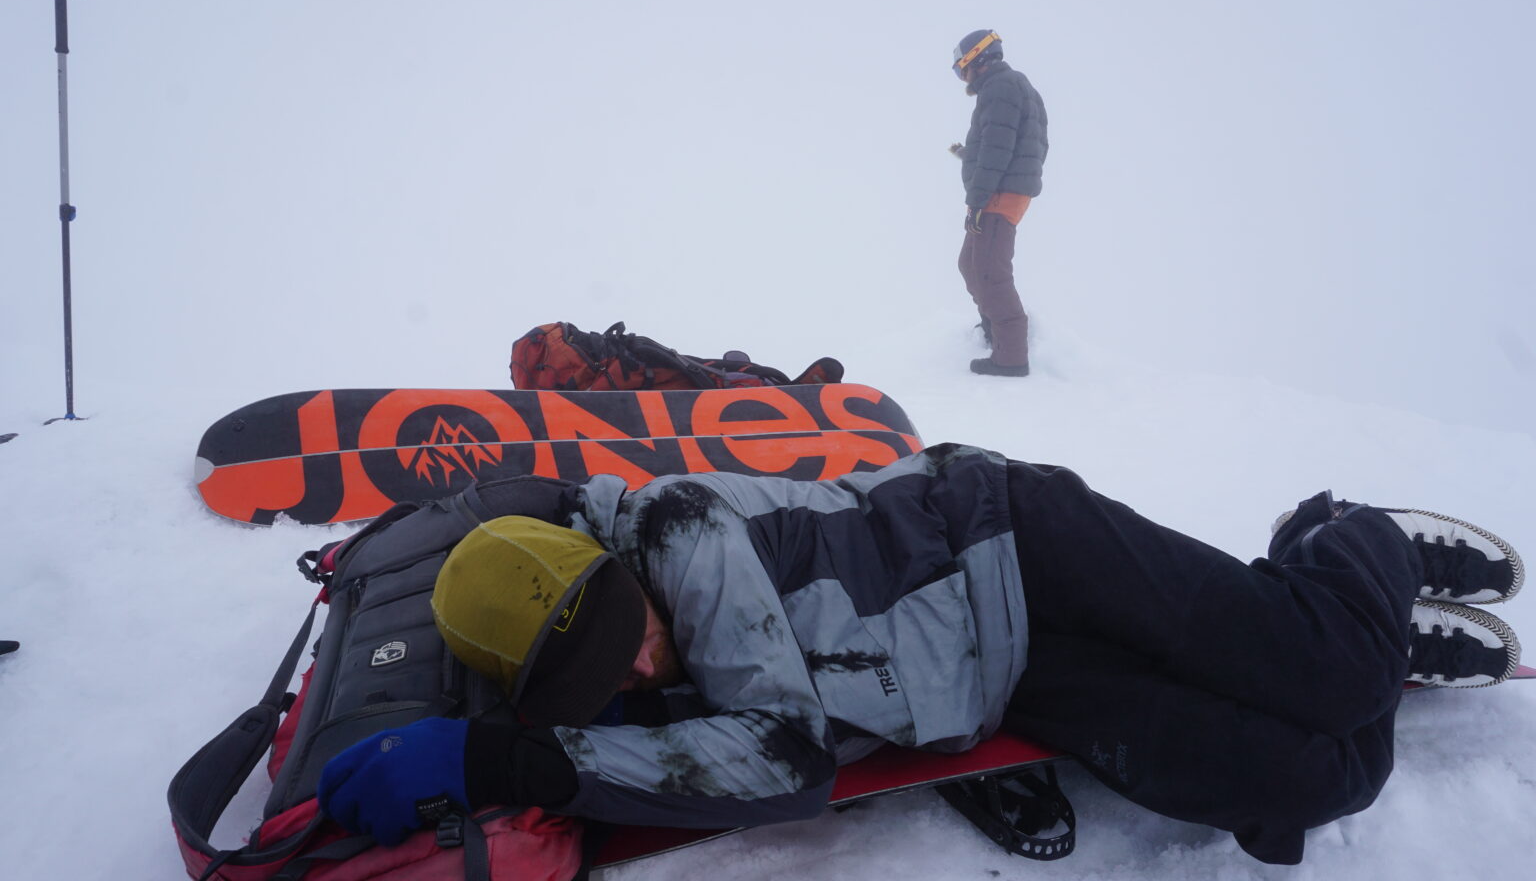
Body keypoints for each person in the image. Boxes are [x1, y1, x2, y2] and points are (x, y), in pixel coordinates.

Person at [317, 445, 1524, 864]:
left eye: (627, 636)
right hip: (1002, 672)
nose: (638, 672)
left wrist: (503, 759)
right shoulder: (608, 648)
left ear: (612, 567)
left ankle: (1351, 543)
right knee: (1323, 780)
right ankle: (1340, 616)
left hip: (1013, 536)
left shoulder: (677, 531)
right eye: (601, 683)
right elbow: (677, 725)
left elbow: (785, 758)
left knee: (1340, 680)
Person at [950, 29, 1048, 377]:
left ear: (976, 60)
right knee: (970, 264)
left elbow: (998, 149)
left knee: (990, 273)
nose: (962, 77)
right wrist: (968, 155)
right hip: (999, 190)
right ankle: (995, 331)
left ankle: (1011, 358)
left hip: (996, 194)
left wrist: (978, 200)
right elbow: (1017, 143)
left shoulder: (1000, 88)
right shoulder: (1014, 87)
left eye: (961, 68)